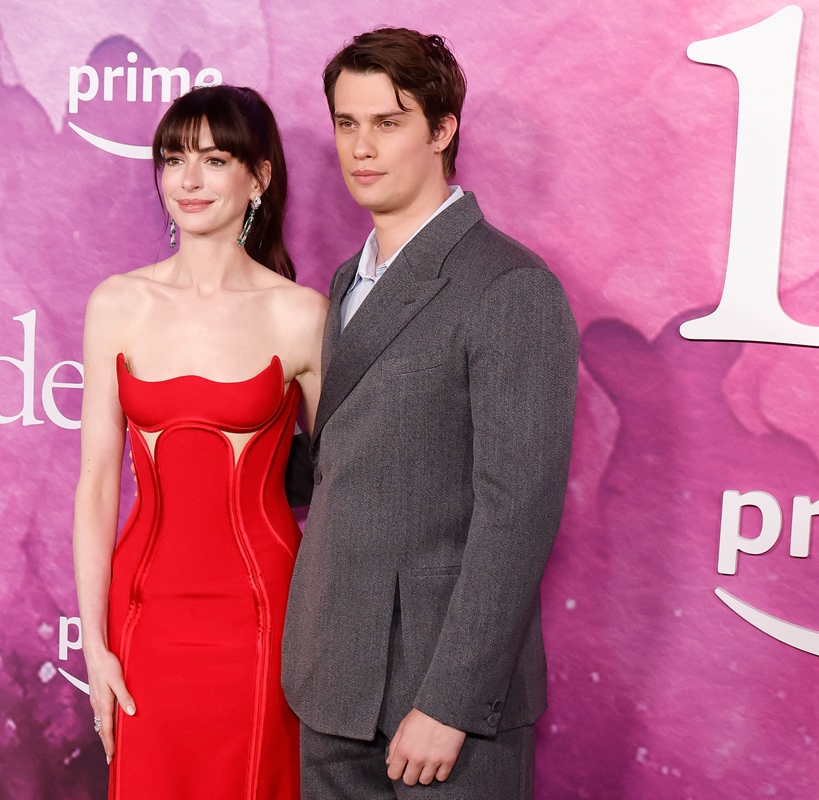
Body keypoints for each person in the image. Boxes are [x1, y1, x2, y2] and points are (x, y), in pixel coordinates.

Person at [281, 28, 578, 799]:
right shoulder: (348, 279)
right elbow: (343, 462)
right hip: (332, 683)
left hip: (438, 698)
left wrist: (449, 702)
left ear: (443, 130)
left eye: (388, 123)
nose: (361, 148)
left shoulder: (510, 285)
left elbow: (518, 513)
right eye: (348, 124)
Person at [72, 84, 326, 800]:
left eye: (214, 160)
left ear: (260, 177)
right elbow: (96, 485)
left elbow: (344, 486)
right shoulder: (117, 303)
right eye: (173, 158)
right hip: (144, 616)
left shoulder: (302, 316)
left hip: (264, 618)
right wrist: (94, 644)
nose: (188, 180)